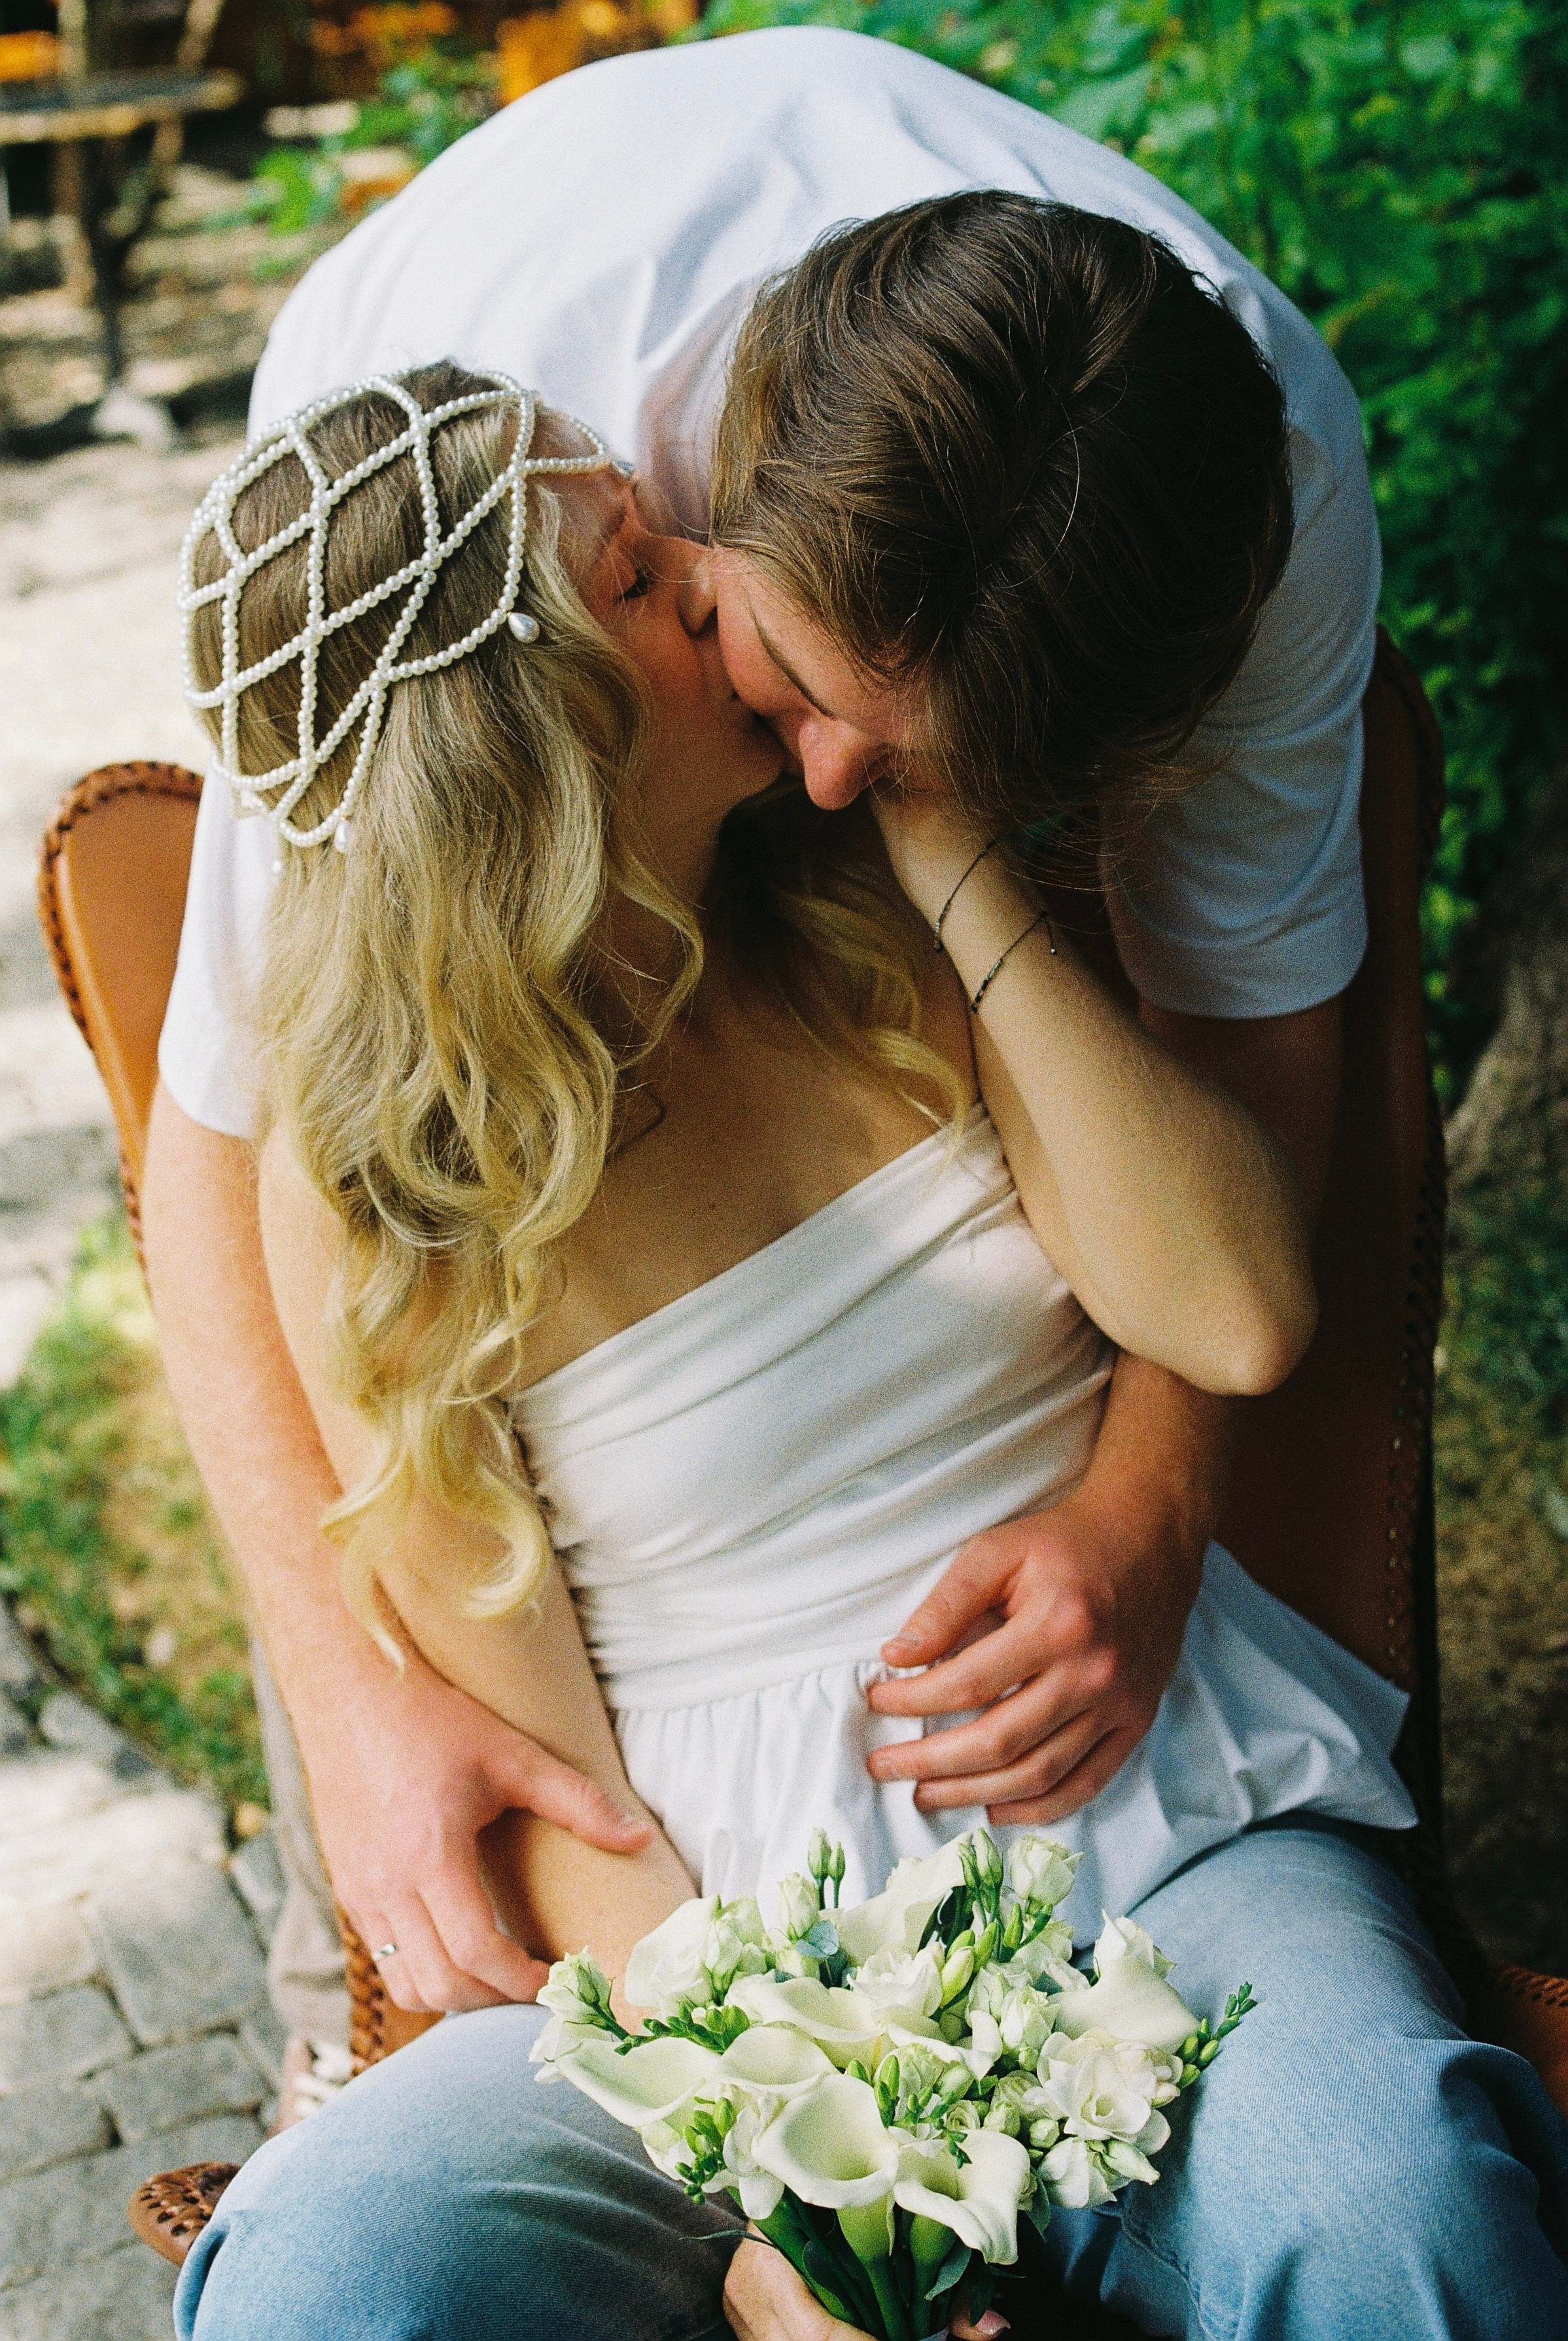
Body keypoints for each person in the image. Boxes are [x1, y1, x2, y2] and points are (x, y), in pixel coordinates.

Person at [169, 364, 1568, 2341]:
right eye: (641, 570)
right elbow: (566, 1806)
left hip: (1164, 1831)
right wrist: (827, 2203)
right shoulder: (386, 1177)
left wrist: (940, 843)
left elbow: (1232, 1299)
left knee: (1392, 2199)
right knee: (334, 2279)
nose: (712, 574)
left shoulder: (887, 886)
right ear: (544, 733)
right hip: (703, 1967)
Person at [147, 27, 1385, 2083]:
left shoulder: (1254, 508)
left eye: (904, 772)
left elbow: (1251, 1085)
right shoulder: (473, 508)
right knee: (393, 1880)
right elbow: (219, 1153)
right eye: (791, 681)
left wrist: (1153, 1507)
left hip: (1073, 1820)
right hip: (652, 1816)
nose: (828, 779)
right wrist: (351, 1693)